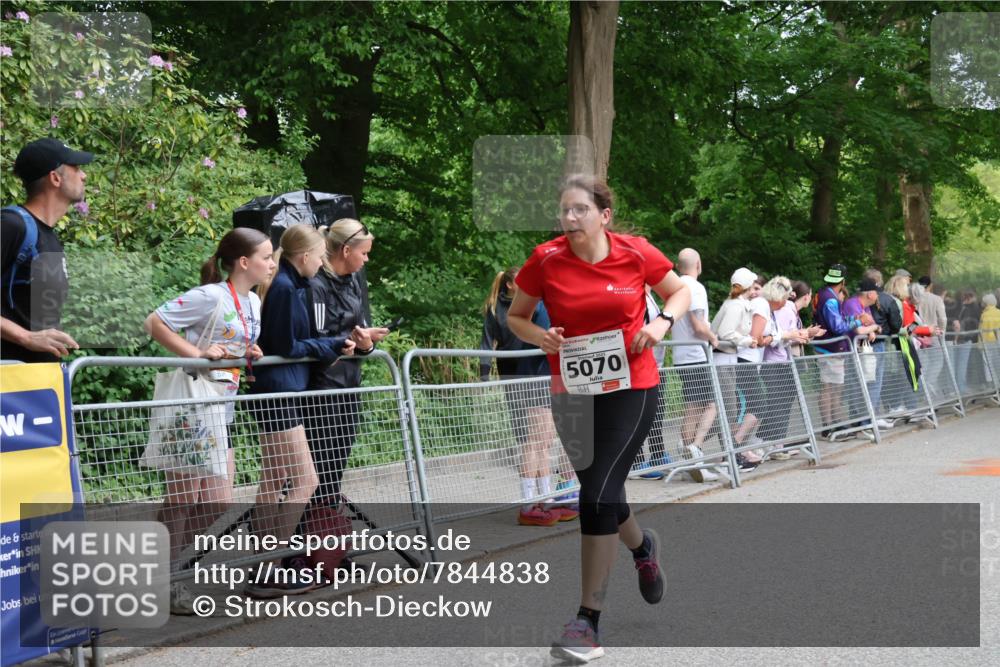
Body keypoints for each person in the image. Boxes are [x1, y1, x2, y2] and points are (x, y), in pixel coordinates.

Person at [506, 174, 689, 663]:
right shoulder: (545, 259)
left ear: (603, 215)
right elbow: (517, 317)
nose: (569, 218)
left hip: (633, 386)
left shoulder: (635, 252)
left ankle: (587, 622)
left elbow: (680, 292)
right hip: (573, 391)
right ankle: (642, 547)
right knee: (603, 494)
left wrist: (659, 322)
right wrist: (539, 337)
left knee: (597, 495)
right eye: (564, 210)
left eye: (579, 209)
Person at [143, 227, 272, 614]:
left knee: (219, 501)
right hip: (190, 407)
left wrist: (247, 350)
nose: (271, 263)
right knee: (182, 500)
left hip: (221, 407)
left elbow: (231, 339)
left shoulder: (253, 301)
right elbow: (155, 322)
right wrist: (194, 353)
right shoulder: (210, 294)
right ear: (244, 262)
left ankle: (154, 568)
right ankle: (164, 579)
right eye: (266, 257)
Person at [246, 224, 356, 598]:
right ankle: (272, 564)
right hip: (279, 392)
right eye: (321, 255)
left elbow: (289, 342)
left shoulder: (291, 286)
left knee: (274, 481)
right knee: (304, 480)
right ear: (305, 256)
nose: (324, 261)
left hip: (279, 390)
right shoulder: (285, 289)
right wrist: (333, 345)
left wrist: (329, 343)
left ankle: (264, 566)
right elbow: (287, 345)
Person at [305, 219, 390, 513]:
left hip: (350, 386)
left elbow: (362, 330)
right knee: (318, 468)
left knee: (337, 465)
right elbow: (316, 337)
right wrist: (346, 342)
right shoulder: (315, 283)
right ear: (345, 250)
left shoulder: (354, 282)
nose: (366, 259)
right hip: (323, 387)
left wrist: (367, 344)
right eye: (363, 253)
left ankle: (329, 550)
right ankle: (302, 548)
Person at [480, 268, 577, 526]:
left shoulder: (540, 302)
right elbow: (542, 337)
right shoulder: (527, 305)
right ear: (512, 285)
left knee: (543, 442)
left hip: (541, 377)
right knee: (533, 442)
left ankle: (545, 499)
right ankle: (529, 504)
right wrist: (484, 372)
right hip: (531, 378)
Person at [1, 138, 91, 362]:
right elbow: (31, 335)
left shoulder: (48, 237)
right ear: (55, 178)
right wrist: (25, 337)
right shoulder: (11, 226)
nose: (84, 175)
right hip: (9, 383)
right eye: (76, 168)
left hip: (42, 381)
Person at [665, 248, 720, 482]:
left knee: (693, 407)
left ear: (678, 266)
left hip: (681, 355)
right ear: (699, 264)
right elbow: (698, 326)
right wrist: (713, 337)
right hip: (696, 355)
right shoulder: (695, 288)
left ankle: (691, 457)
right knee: (710, 405)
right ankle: (695, 449)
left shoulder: (673, 287)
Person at [812, 264, 879, 438]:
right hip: (829, 348)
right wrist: (858, 321)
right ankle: (829, 426)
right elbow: (838, 326)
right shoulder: (831, 299)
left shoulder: (823, 293)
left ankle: (835, 423)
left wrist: (856, 318)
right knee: (829, 387)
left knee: (835, 387)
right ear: (843, 281)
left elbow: (838, 320)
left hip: (828, 347)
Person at [710, 268, 763, 468]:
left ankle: (729, 453)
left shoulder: (737, 304)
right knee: (728, 410)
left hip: (727, 359)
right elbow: (725, 332)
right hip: (722, 360)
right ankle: (725, 453)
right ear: (748, 287)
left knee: (730, 410)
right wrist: (746, 340)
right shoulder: (735, 306)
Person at [757, 276, 813, 451]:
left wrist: (799, 335)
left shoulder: (781, 309)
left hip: (780, 360)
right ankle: (765, 442)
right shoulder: (782, 310)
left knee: (782, 402)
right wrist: (796, 336)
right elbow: (776, 336)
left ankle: (776, 442)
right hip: (774, 361)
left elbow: (780, 335)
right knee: (776, 403)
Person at [841, 277, 884, 435]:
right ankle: (857, 423)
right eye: (877, 293)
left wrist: (872, 329)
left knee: (860, 386)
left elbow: (869, 325)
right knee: (855, 387)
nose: (878, 296)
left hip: (857, 350)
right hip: (848, 351)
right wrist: (874, 328)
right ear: (870, 294)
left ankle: (859, 423)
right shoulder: (852, 304)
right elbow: (860, 330)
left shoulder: (864, 307)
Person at [862, 269, 903, 422]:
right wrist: (886, 331)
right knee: (874, 381)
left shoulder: (855, 297)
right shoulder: (887, 299)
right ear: (879, 282)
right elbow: (896, 324)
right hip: (878, 343)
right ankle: (871, 419)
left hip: (857, 344)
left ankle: (858, 419)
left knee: (859, 382)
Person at [950, 288, 982, 394]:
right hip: (965, 338)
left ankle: (955, 387)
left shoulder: (957, 308)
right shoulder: (971, 308)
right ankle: (961, 387)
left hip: (958, 338)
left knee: (956, 363)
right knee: (962, 364)